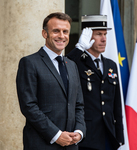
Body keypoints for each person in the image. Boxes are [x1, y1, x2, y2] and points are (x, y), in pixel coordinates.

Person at [16, 12, 86, 150]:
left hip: (71, 145)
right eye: (56, 31)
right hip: (41, 144)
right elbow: (29, 106)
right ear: (44, 33)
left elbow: (79, 105)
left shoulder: (72, 65)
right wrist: (56, 135)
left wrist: (79, 131)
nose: (61, 36)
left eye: (65, 31)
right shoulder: (29, 63)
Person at [67, 15, 124, 150]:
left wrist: (119, 136)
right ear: (87, 36)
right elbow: (63, 67)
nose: (104, 39)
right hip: (87, 135)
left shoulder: (111, 65)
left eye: (105, 34)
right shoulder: (76, 62)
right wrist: (79, 48)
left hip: (109, 134)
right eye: (98, 34)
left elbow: (116, 103)